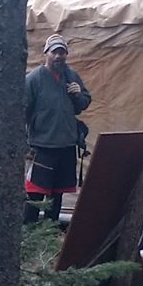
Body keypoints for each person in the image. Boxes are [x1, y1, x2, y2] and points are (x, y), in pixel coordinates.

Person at [24, 33, 91, 223]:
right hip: (41, 146)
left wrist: (78, 95)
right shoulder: (34, 79)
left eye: (62, 52)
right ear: (46, 53)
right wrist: (23, 145)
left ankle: (51, 234)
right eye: (54, 52)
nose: (58, 56)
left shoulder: (71, 76)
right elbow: (21, 111)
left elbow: (83, 104)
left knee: (57, 194)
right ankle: (29, 233)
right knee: (35, 195)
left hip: (67, 145)